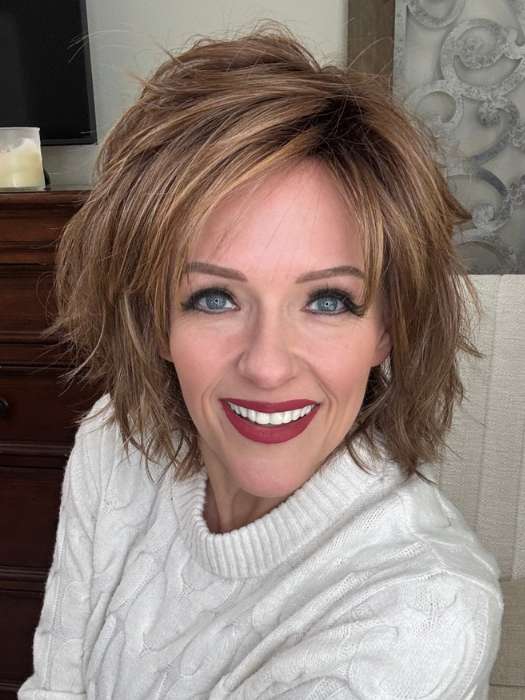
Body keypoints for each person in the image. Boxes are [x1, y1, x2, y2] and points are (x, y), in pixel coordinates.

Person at [19, 23, 502, 700]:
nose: (268, 367)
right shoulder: (115, 441)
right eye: (214, 298)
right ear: (154, 320)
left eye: (328, 301)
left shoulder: (420, 620)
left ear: (387, 331)